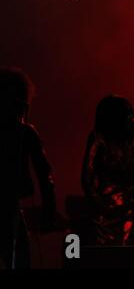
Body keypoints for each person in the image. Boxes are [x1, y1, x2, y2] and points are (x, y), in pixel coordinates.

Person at [81, 95, 134, 245]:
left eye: (130, 112)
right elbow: (86, 179)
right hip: (105, 211)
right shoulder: (98, 139)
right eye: (124, 113)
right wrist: (101, 207)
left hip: (132, 210)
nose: (130, 117)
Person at [0, 67, 56, 269]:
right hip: (10, 206)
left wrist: (49, 212)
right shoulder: (25, 132)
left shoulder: (25, 133)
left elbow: (44, 173)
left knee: (20, 258)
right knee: (19, 259)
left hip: (11, 205)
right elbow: (44, 174)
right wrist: (49, 211)